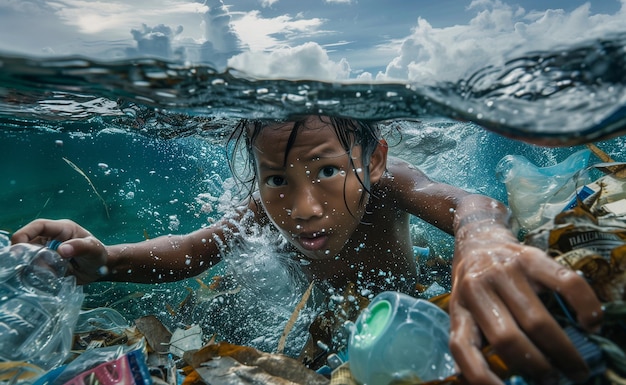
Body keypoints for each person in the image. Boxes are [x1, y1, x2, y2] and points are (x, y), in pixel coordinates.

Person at [11, 115, 602, 385]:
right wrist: (105, 257)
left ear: (372, 161)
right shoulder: (259, 210)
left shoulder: (393, 182)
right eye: (277, 180)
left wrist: (483, 243)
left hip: (404, 289)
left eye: (325, 171)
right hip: (328, 314)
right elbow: (188, 250)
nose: (303, 207)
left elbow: (467, 204)